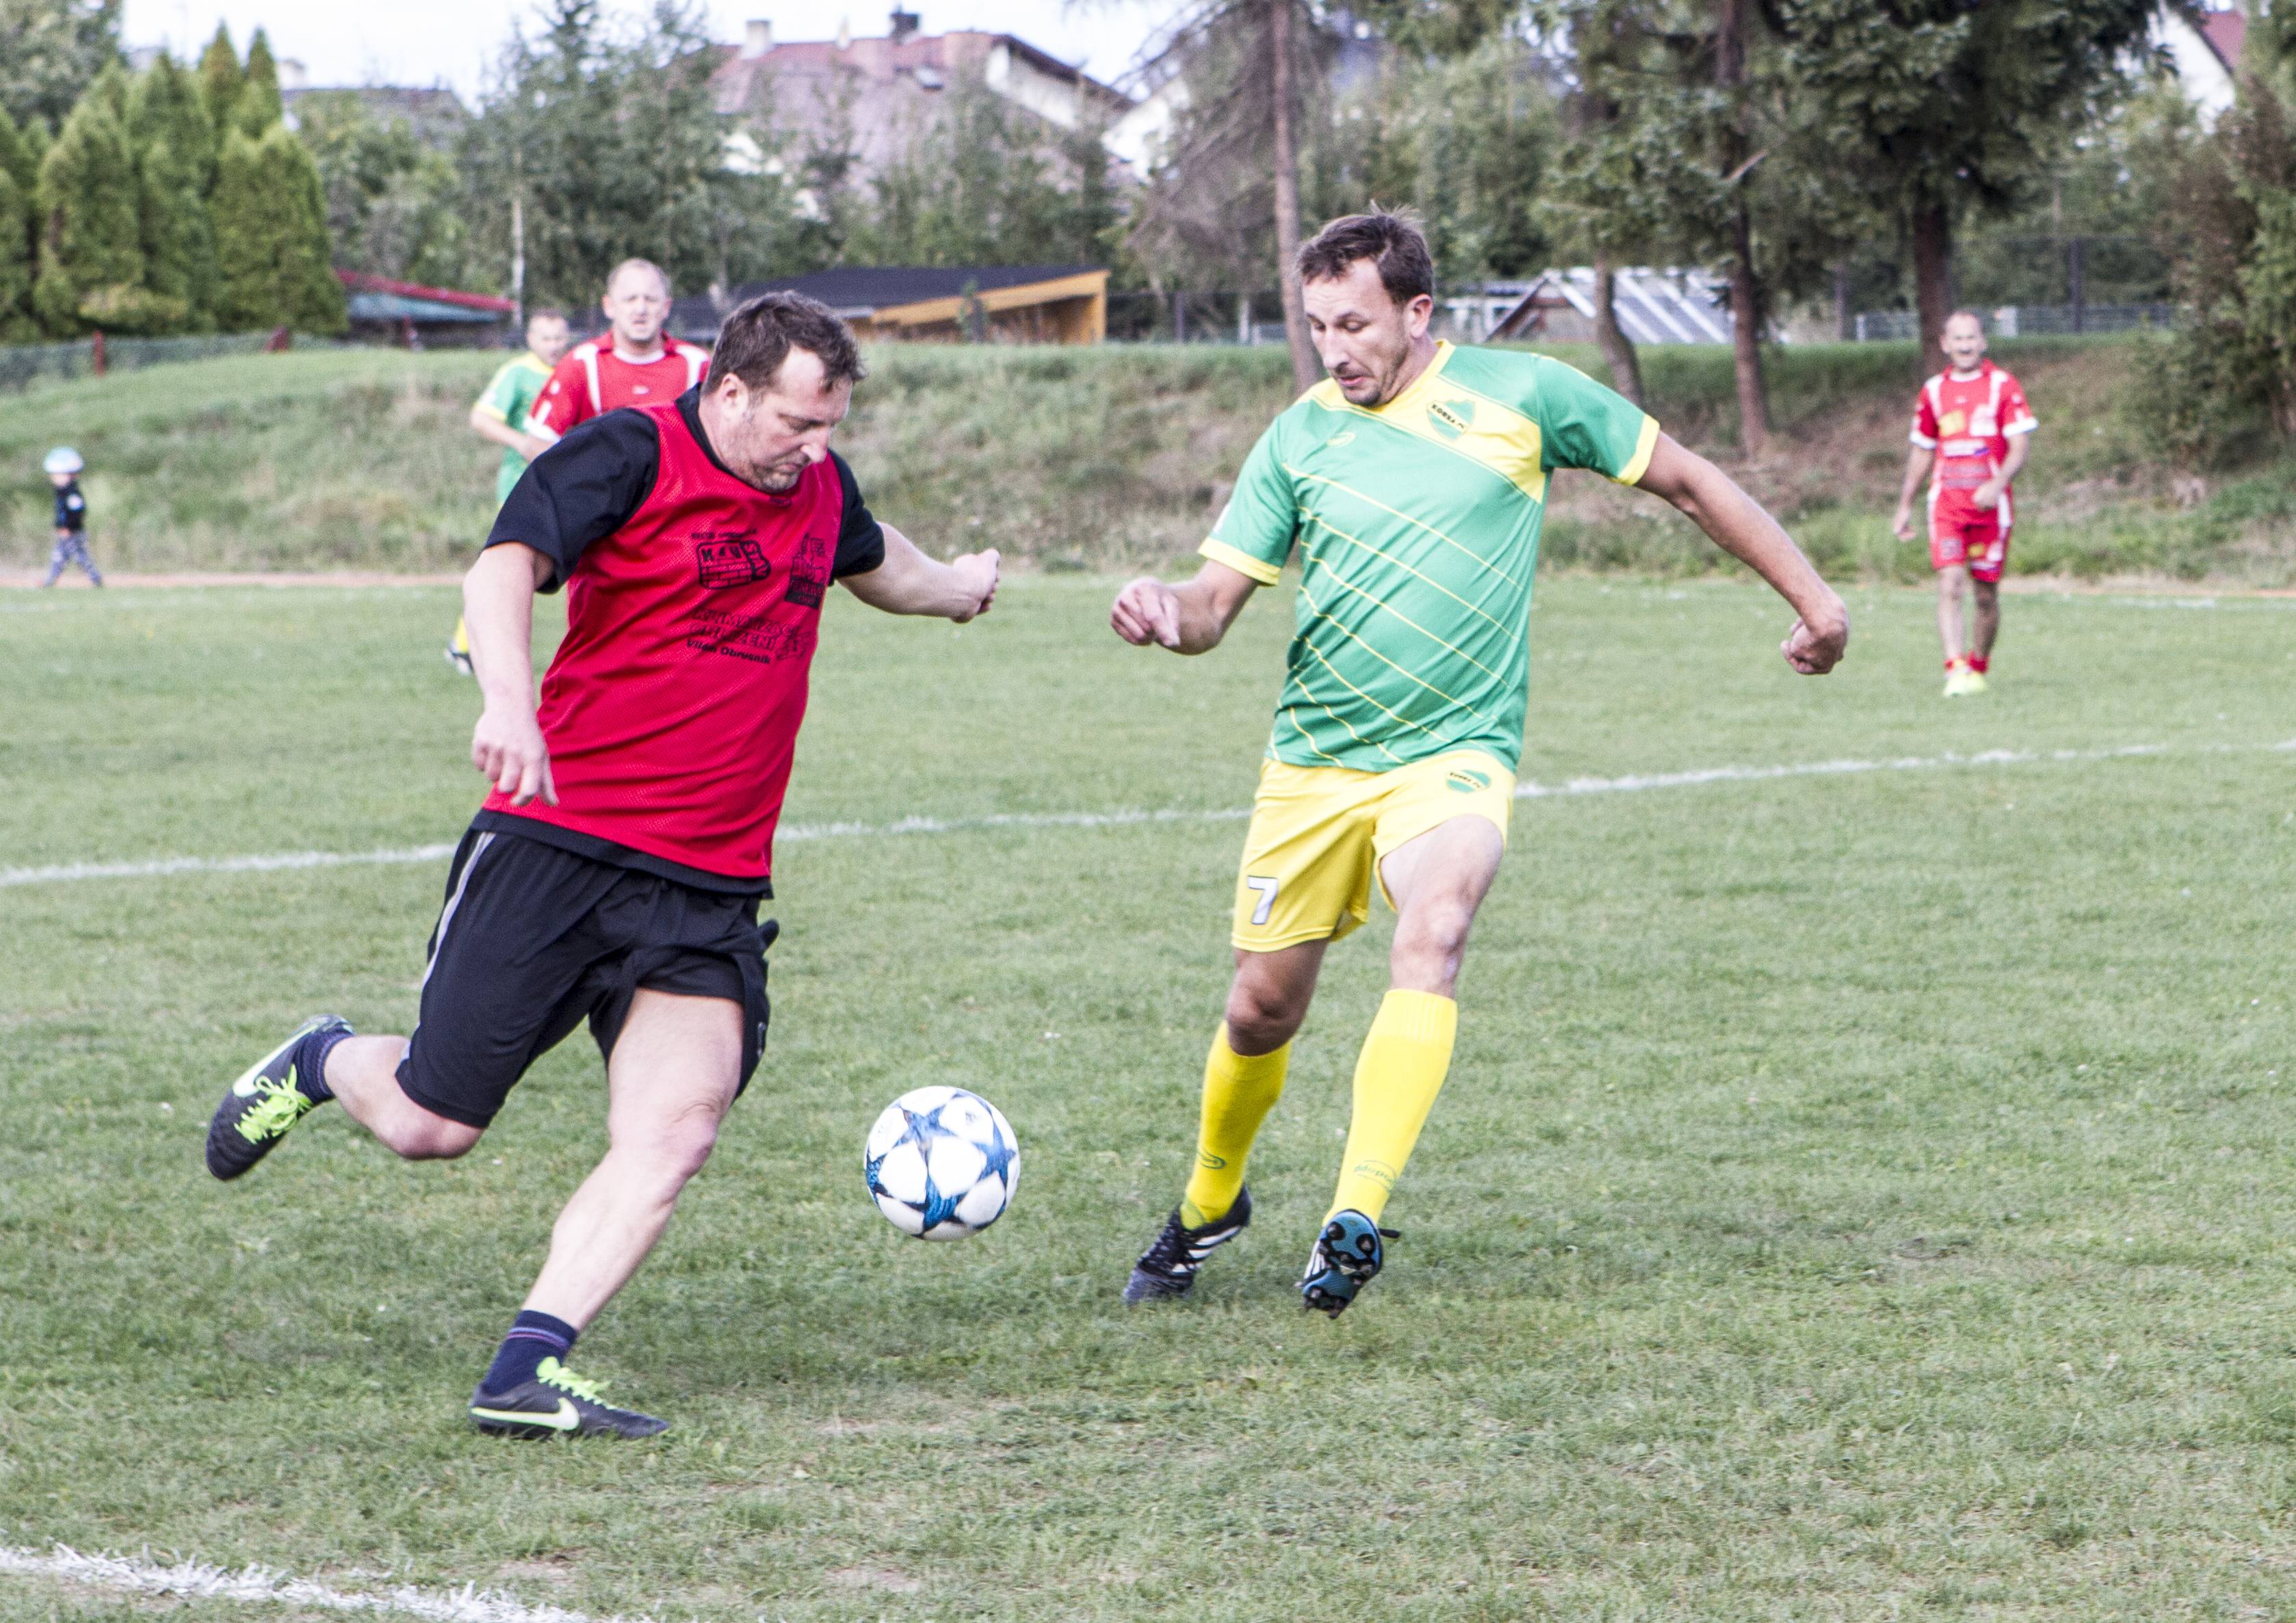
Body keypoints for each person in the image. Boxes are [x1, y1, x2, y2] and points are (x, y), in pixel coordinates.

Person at [203, 293, 1000, 1438]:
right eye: (793, 422)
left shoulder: (819, 487)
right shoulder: (630, 452)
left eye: (830, 424)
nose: (813, 448)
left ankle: (527, 1368)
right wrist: (508, 703)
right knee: (435, 1120)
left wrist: (959, 585)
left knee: (677, 1129)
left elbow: (877, 563)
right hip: (559, 840)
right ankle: (327, 1058)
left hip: (707, 883)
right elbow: (503, 569)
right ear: (729, 391)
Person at [1109, 211, 1848, 1317]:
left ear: (1417, 312)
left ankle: (1353, 1214)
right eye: (1316, 327)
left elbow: (1689, 481)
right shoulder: (1300, 435)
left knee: (1437, 927)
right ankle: (1213, 1197)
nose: (1334, 348)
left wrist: (1817, 598)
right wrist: (1168, 610)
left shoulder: (1527, 396)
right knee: (1261, 1008)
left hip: (1453, 753)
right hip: (1316, 761)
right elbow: (1216, 604)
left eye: (1353, 323)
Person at [1890, 311, 2037, 697]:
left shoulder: (2004, 386)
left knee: (1986, 595)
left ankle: (1978, 665)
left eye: (1972, 337)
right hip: (1947, 508)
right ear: (1945, 344)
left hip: (1992, 512)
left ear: (1983, 341)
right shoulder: (1933, 391)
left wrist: (1998, 481)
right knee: (1950, 584)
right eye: (1958, 339)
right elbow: (1922, 450)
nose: (1966, 345)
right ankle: (1955, 669)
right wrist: (1905, 503)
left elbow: (2020, 446)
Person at [447, 307, 573, 674]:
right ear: (531, 339)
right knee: (510, 569)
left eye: (559, 338)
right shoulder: (518, 373)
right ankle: (466, 644)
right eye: (545, 338)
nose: (553, 345)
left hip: (565, 487)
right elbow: (481, 418)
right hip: (521, 486)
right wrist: (523, 443)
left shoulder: (574, 372)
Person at [523, 258, 712, 446]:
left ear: (666, 307)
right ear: (609, 306)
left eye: (651, 299)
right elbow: (539, 442)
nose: (641, 309)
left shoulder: (698, 364)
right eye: (630, 299)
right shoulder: (582, 363)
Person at [40, 446, 101, 588]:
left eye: (57, 475)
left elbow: (77, 513)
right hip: (67, 532)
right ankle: (50, 582)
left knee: (80, 557)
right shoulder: (61, 493)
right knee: (59, 557)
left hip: (73, 533)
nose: (54, 478)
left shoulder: (71, 493)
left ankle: (96, 579)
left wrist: (68, 527)